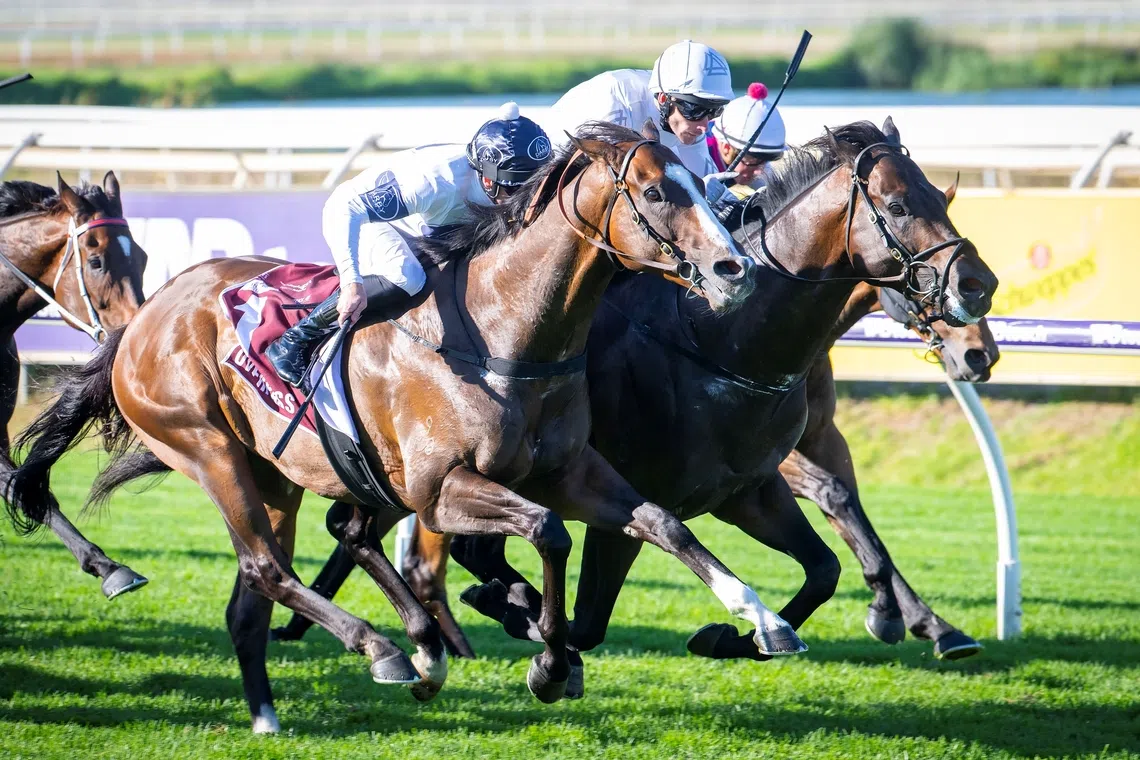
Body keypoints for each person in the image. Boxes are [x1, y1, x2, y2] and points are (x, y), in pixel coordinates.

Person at [266, 102, 553, 386]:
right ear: (488, 178)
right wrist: (352, 283)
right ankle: (296, 339)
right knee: (407, 277)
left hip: (439, 227)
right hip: (370, 221)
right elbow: (344, 208)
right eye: (516, 188)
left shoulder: (507, 177)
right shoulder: (435, 182)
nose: (526, 198)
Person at [543, 40, 734, 198]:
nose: (703, 125)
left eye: (714, 111)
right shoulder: (617, 106)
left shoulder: (688, 123)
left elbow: (705, 181)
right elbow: (595, 192)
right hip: (546, 167)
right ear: (663, 99)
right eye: (696, 110)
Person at [707, 82, 788, 199]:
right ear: (727, 148)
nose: (759, 172)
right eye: (752, 163)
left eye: (764, 162)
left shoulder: (753, 160)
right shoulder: (698, 158)